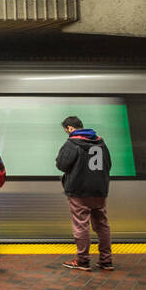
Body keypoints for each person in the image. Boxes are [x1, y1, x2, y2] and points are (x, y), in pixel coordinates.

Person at [56, 116, 114, 271]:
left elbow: (61, 164)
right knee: (102, 225)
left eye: (66, 130)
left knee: (81, 225)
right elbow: (109, 164)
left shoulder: (72, 143)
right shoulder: (100, 142)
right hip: (99, 190)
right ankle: (106, 261)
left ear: (70, 128)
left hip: (79, 191)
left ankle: (83, 261)